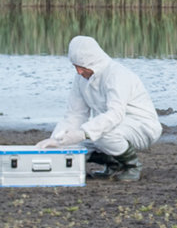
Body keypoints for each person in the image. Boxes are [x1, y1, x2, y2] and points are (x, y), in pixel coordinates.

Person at [34, 35, 163, 181]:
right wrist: (57, 141)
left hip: (141, 126)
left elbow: (115, 115)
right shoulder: (81, 79)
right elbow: (75, 114)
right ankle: (114, 165)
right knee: (75, 147)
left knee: (102, 134)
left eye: (82, 66)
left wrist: (83, 133)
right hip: (113, 127)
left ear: (93, 62)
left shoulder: (117, 75)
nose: (78, 71)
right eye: (75, 66)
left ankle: (132, 166)